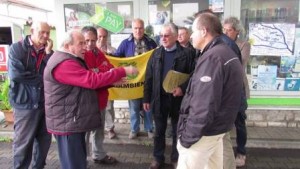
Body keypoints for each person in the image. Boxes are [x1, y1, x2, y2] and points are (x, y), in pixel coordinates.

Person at [43, 30, 138, 169]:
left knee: (78, 162)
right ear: (68, 45)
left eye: (86, 42)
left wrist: (112, 82)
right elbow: (91, 80)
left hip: (71, 121)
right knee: (74, 165)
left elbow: (86, 83)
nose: (85, 47)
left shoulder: (70, 59)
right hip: (68, 123)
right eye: (81, 43)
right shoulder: (64, 63)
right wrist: (122, 71)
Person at [176, 13, 243, 169]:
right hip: (217, 130)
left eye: (194, 31)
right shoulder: (225, 52)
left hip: (203, 135)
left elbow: (204, 104)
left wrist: (187, 138)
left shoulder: (213, 58)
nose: (191, 36)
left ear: (204, 31)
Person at [143, 23, 195, 169]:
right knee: (159, 131)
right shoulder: (156, 53)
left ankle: (176, 158)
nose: (163, 38)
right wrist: (146, 98)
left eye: (166, 35)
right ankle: (157, 158)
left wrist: (183, 89)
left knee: (178, 131)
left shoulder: (187, 54)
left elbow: (194, 76)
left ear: (175, 36)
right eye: (161, 36)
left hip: (178, 99)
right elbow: (149, 77)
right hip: (159, 98)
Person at [8, 21, 53, 169]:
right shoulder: (17, 48)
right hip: (25, 105)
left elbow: (52, 73)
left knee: (44, 142)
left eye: (48, 33)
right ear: (32, 30)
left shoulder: (47, 51)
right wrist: (43, 80)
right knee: (23, 145)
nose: (46, 36)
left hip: (44, 104)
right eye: (42, 32)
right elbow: (17, 75)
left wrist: (48, 54)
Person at [114, 18, 157, 139]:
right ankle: (134, 129)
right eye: (135, 28)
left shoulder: (151, 43)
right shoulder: (125, 43)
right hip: (132, 82)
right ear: (132, 29)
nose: (138, 30)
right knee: (133, 108)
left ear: (144, 28)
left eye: (140, 28)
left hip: (148, 81)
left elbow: (157, 58)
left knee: (148, 106)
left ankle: (149, 129)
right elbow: (118, 58)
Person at [223, 16, 251, 167]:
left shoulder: (243, 45)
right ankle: (224, 152)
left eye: (230, 30)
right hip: (223, 89)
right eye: (224, 30)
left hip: (238, 88)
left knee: (239, 122)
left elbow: (239, 63)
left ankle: (241, 152)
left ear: (237, 31)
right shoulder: (220, 43)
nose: (226, 33)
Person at [96, 27, 117, 139]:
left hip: (107, 83)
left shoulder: (112, 50)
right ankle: (97, 128)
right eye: (99, 36)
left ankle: (110, 128)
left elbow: (117, 64)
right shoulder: (91, 50)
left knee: (109, 107)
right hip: (95, 83)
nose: (102, 39)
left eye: (104, 36)